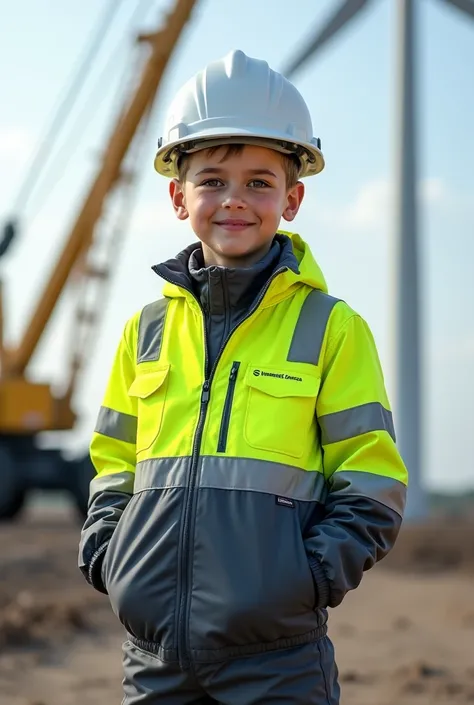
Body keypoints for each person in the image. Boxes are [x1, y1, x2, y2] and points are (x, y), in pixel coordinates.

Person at [79, 49, 408, 704]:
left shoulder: (332, 327)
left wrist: (307, 577)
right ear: (179, 196)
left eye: (260, 182)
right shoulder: (144, 331)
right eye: (212, 181)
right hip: (155, 658)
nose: (235, 200)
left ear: (294, 197)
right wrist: (110, 557)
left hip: (277, 658)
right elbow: (113, 460)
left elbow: (373, 479)